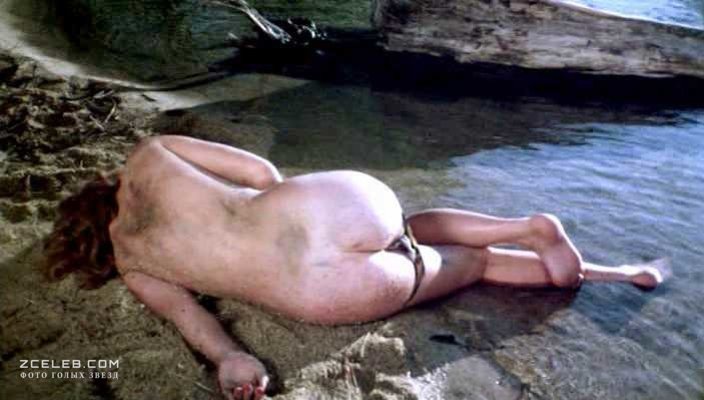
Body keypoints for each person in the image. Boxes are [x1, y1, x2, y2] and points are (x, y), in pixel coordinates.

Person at [44, 135, 670, 400]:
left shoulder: (133, 263)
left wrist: (233, 361)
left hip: (323, 290)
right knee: (409, 226)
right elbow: (261, 173)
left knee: (470, 266)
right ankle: (556, 243)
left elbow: (190, 319)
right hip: (333, 205)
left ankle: (580, 262)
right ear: (103, 188)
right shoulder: (150, 154)